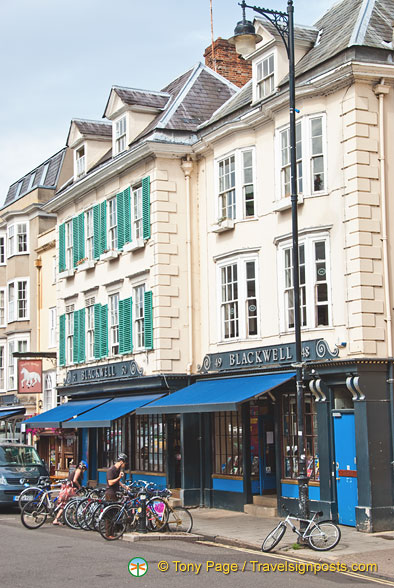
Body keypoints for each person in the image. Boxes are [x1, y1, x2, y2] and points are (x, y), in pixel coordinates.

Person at [53, 460, 88, 525]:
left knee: (64, 504)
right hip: (70, 489)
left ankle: (57, 519)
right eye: (85, 469)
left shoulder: (76, 470)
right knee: (76, 503)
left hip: (67, 488)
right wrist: (79, 487)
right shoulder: (78, 470)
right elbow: (75, 480)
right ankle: (74, 519)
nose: (84, 470)